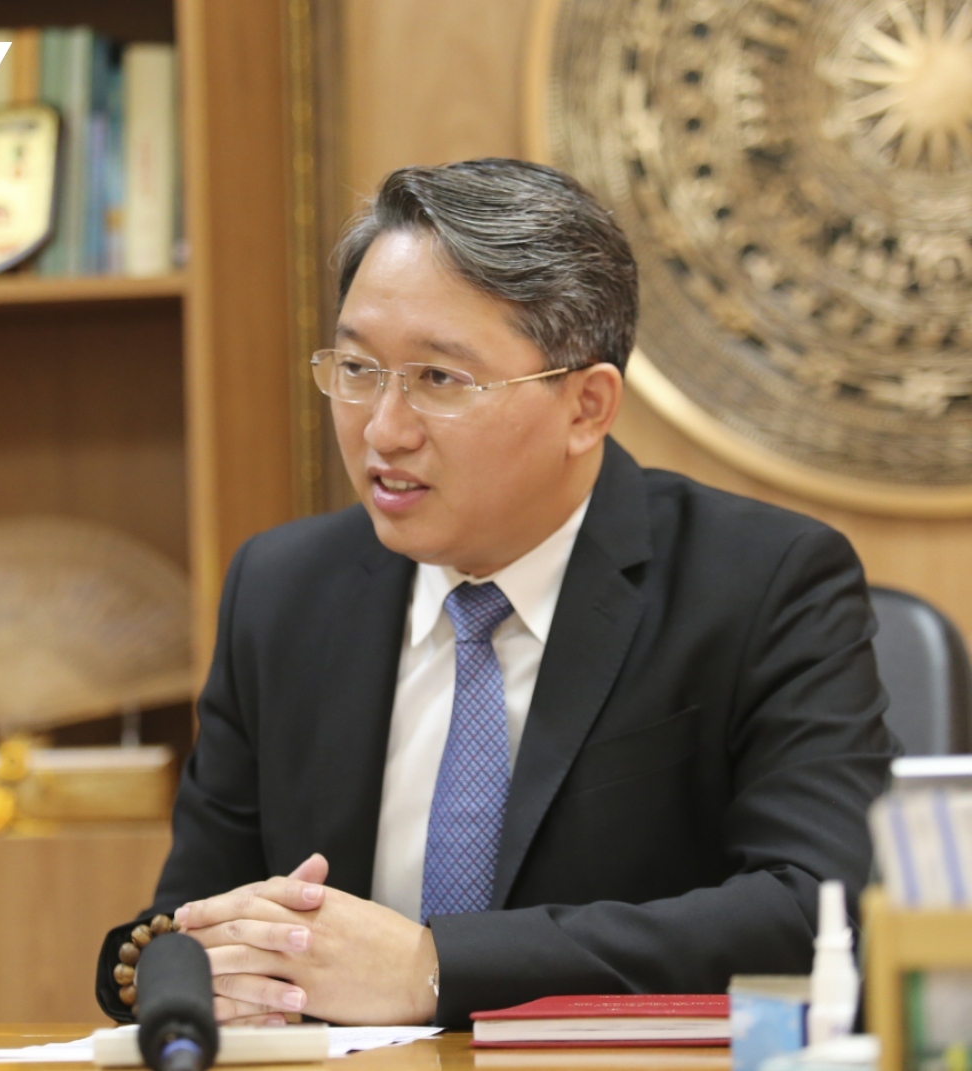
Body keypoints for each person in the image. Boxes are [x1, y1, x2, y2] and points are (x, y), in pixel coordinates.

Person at [96, 159, 896, 1029]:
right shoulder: (283, 592)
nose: (384, 430)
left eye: (440, 379)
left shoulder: (764, 581)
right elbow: (196, 909)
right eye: (357, 368)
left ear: (587, 407)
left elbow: (816, 909)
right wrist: (191, 970)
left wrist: (436, 968)